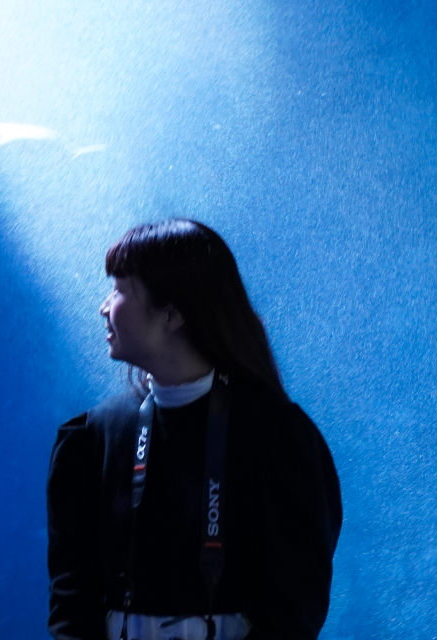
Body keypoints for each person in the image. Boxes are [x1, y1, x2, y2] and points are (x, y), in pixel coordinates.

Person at [47, 219, 341, 640]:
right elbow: (71, 598)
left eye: (119, 289)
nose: (103, 307)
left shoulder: (278, 436)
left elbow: (295, 605)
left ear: (173, 313)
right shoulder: (92, 439)